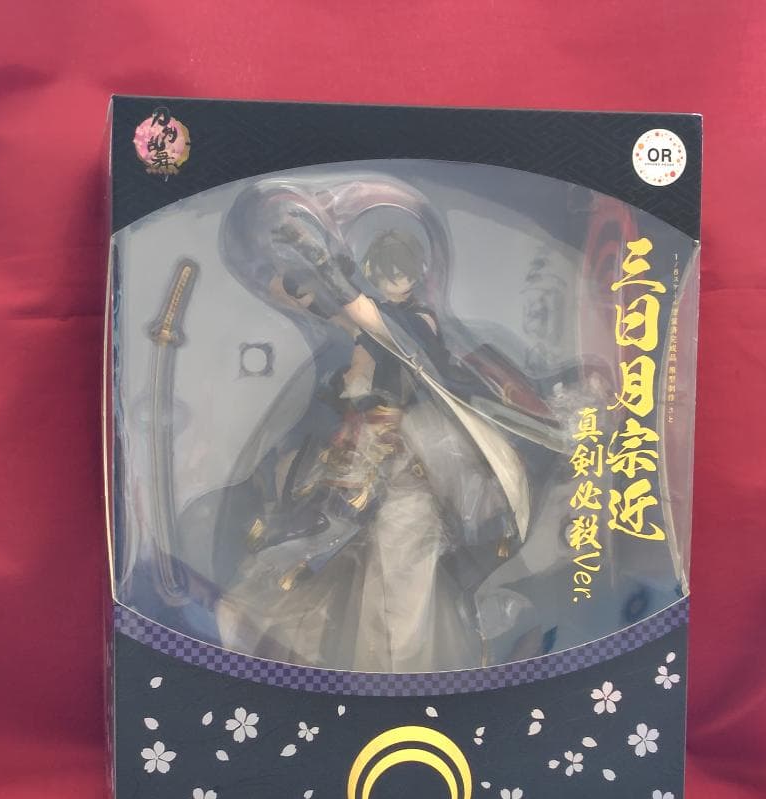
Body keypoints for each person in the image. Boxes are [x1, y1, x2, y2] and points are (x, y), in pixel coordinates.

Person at [215, 223, 549, 672]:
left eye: (401, 274)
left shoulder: (415, 322)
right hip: (365, 460)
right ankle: (315, 665)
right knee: (331, 567)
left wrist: (327, 270)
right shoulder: (365, 327)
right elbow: (329, 311)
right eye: (385, 273)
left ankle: (399, 677)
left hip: (410, 464)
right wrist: (295, 277)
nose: (394, 282)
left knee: (398, 583)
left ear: (414, 277)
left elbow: (378, 327)